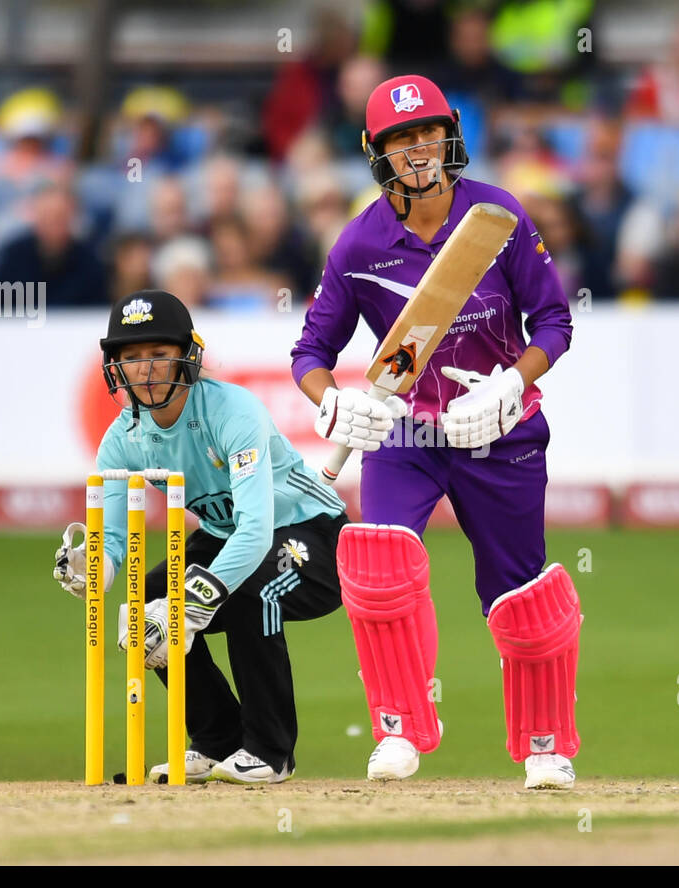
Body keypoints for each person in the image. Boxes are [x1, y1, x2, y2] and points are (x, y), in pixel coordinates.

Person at [291, 74, 581, 790]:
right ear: (375, 152)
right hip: (406, 434)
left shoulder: (499, 216)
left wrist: (514, 384)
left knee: (517, 593)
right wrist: (331, 405)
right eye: (400, 139)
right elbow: (310, 354)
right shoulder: (359, 244)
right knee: (377, 561)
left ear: (450, 135)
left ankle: (545, 743)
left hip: (500, 433)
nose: (418, 150)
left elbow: (555, 321)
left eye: (427, 133)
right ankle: (399, 727)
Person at [54, 289, 349, 784]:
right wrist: (94, 569)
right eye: (132, 358)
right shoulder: (121, 441)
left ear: (187, 355)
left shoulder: (233, 411)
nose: (145, 370)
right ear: (115, 367)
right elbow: (115, 540)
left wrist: (192, 604)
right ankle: (217, 740)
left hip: (310, 534)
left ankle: (271, 752)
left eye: (158, 355)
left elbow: (255, 531)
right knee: (144, 601)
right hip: (227, 536)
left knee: (252, 592)